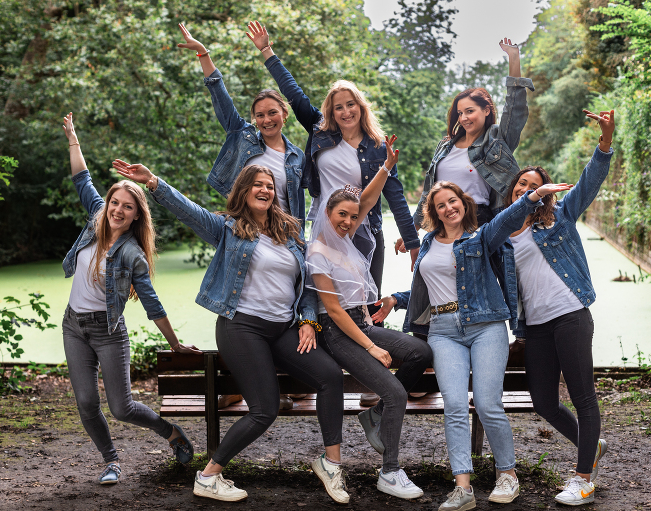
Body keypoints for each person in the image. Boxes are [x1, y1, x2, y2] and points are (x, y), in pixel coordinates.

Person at [113, 161, 348, 504]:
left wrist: (308, 320)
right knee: (264, 409)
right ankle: (208, 476)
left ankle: (331, 464)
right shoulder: (228, 228)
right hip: (242, 327)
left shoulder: (291, 232)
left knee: (330, 376)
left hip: (283, 328)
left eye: (269, 185)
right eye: (257, 184)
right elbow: (189, 211)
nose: (265, 189)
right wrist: (153, 183)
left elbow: (308, 286)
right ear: (244, 190)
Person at [376, 177, 572, 510]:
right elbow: (430, 289)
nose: (448, 208)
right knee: (454, 406)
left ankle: (507, 475)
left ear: (464, 204)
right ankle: (462, 488)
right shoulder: (427, 243)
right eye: (441, 205)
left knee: (486, 402)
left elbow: (507, 219)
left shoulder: (481, 237)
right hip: (442, 329)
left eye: (453, 201)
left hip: (485, 326)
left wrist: (533, 196)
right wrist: (396, 298)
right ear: (435, 212)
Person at [60, 113, 199, 486]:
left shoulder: (132, 254)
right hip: (74, 326)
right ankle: (111, 461)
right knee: (87, 404)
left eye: (127, 206)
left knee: (121, 408)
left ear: (137, 214)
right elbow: (81, 178)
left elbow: (152, 303)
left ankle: (171, 432)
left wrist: (174, 343)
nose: (118, 210)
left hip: (108, 332)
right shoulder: (95, 218)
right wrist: (74, 138)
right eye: (115, 202)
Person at [177, 22, 308, 409]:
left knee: (285, 303)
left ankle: (292, 378)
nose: (266, 120)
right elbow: (221, 100)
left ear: (283, 113)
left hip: (283, 232)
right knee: (236, 298)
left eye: (272, 113)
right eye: (259, 115)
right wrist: (205, 56)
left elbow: (306, 197)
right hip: (248, 227)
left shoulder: (298, 155)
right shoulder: (243, 136)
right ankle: (241, 381)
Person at [305, 134, 433, 500]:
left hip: (363, 322)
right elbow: (331, 311)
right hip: (339, 332)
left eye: (351, 215)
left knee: (421, 353)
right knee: (394, 391)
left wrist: (387, 166)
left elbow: (370, 197)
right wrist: (372, 347)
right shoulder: (318, 252)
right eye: (340, 215)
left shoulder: (348, 237)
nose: (347, 220)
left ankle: (374, 416)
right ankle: (390, 472)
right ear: (327, 215)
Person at [246, 20, 421, 285]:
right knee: (325, 301)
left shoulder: (377, 147)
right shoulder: (320, 129)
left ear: (361, 107)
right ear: (331, 111)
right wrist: (267, 51)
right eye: (339, 107)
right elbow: (292, 93)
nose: (346, 111)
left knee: (366, 305)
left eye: (351, 104)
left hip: (363, 230)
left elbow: (395, 197)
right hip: (323, 230)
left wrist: (412, 242)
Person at [503, 109, 615, 506]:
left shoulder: (560, 218)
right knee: (544, 402)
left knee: (583, 396)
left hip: (570, 314)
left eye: (535, 185)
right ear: (513, 189)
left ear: (546, 193)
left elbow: (589, 181)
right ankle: (591, 445)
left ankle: (584, 477)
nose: (526, 189)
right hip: (534, 326)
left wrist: (605, 141)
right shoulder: (501, 233)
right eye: (521, 184)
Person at [395, 38, 534, 255]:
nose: (464, 118)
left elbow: (514, 109)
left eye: (470, 111)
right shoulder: (445, 146)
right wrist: (412, 230)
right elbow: (428, 193)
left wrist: (513, 58)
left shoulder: (496, 139)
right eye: (460, 113)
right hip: (442, 222)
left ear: (486, 110)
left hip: (477, 225)